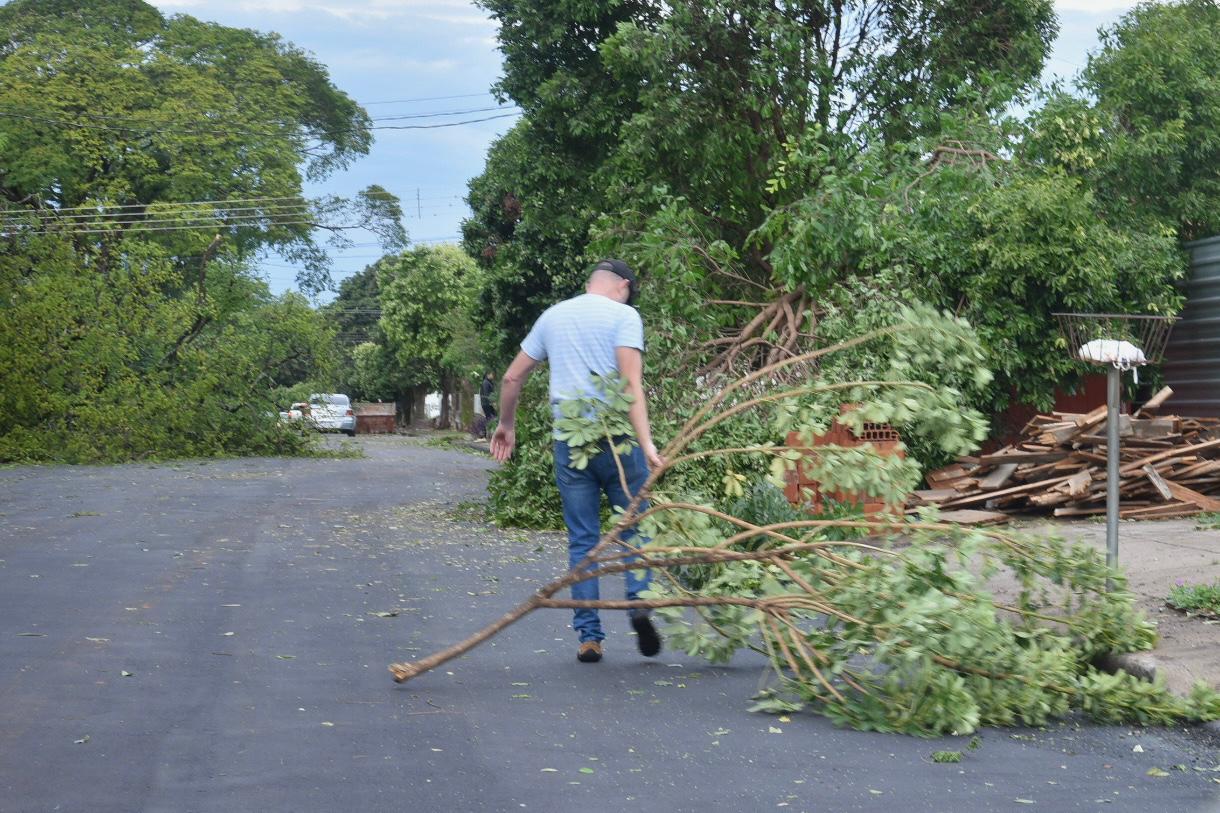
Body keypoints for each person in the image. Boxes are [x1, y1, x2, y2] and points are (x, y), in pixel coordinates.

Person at [491, 259, 664, 664]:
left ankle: (589, 637)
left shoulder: (552, 316)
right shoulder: (625, 315)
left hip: (570, 440)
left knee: (583, 540)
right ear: (623, 285)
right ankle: (639, 602)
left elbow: (511, 378)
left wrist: (506, 424)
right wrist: (648, 443)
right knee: (635, 526)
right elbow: (631, 384)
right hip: (617, 439)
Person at [479, 370, 497, 438]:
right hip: (487, 404)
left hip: (487, 403)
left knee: (491, 417)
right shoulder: (486, 383)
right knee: (490, 418)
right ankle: (483, 433)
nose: (493, 376)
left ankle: (485, 433)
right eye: (491, 374)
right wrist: (493, 403)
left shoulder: (488, 382)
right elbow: (487, 394)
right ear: (488, 375)